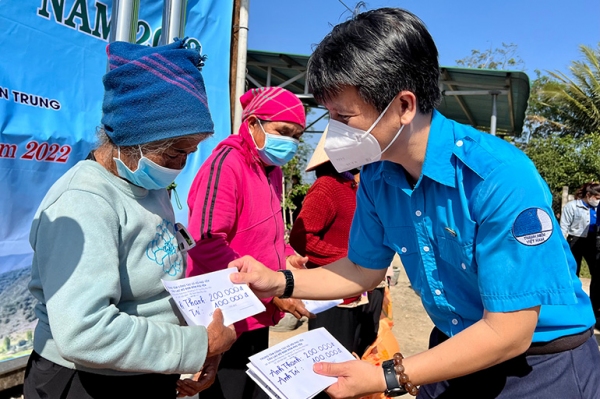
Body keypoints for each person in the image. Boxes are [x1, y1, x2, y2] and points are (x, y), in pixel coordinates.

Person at [229, 8, 600, 399]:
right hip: (454, 346)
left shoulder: (499, 177)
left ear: (404, 106)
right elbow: (361, 268)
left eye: (344, 116)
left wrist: (386, 377)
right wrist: (280, 281)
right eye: (330, 114)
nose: (332, 130)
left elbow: (508, 332)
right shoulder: (376, 175)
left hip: (540, 366)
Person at [24, 40, 237, 399]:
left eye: (189, 152)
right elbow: (84, 332)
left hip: (138, 369)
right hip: (86, 382)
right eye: (174, 152)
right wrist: (195, 345)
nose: (181, 166)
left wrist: (203, 347)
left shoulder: (147, 186)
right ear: (130, 137)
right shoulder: (84, 202)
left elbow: (158, 284)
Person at [186, 86, 313, 399]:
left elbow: (261, 234)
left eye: (296, 135)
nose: (291, 143)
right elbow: (205, 241)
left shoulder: (271, 170)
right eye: (283, 131)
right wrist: (270, 294)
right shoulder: (226, 164)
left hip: (255, 311)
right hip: (227, 316)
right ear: (253, 123)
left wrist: (285, 257)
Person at [289, 129, 383, 360]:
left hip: (359, 291)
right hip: (334, 296)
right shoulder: (327, 186)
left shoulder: (354, 187)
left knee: (356, 360)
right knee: (330, 367)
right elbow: (301, 237)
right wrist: (347, 260)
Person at [560, 182, 600, 276]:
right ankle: (574, 290)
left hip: (593, 241)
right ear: (588, 195)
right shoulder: (572, 206)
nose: (598, 201)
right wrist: (562, 244)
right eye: (597, 198)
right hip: (575, 240)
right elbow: (564, 226)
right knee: (573, 269)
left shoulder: (598, 208)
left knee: (596, 270)